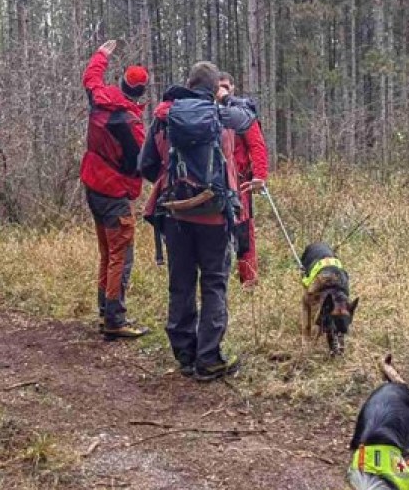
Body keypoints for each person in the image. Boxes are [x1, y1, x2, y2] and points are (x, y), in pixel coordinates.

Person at [139, 61, 253, 382]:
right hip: (215, 216)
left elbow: (145, 165)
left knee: (181, 285)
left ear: (188, 83)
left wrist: (172, 180)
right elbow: (246, 127)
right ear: (215, 87)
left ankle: (185, 356)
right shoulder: (222, 117)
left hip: (175, 215)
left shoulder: (165, 118)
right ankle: (209, 359)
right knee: (214, 284)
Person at [80, 40, 150, 339]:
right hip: (114, 193)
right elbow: (139, 165)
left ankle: (105, 312)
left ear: (121, 82)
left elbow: (90, 78)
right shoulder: (132, 125)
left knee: (108, 253)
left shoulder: (99, 98)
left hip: (93, 185)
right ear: (141, 93)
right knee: (121, 255)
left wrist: (101, 56)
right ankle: (115, 319)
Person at [216, 72, 269, 287]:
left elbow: (257, 145)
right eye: (218, 87)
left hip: (240, 182)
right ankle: (217, 281)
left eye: (226, 86)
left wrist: (259, 176)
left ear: (233, 88)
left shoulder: (241, 113)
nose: (222, 91)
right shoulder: (205, 113)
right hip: (214, 183)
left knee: (244, 232)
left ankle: (248, 280)